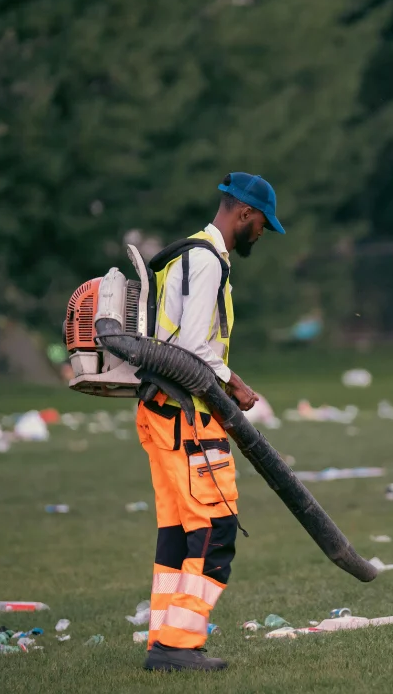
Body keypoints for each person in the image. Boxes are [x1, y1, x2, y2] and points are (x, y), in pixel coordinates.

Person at [136, 173, 284, 673]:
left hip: (160, 412)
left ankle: (164, 642)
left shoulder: (184, 254)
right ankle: (178, 644)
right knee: (216, 530)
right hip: (187, 418)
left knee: (178, 532)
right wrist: (236, 385)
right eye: (262, 224)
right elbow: (195, 347)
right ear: (244, 214)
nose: (261, 234)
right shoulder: (206, 263)